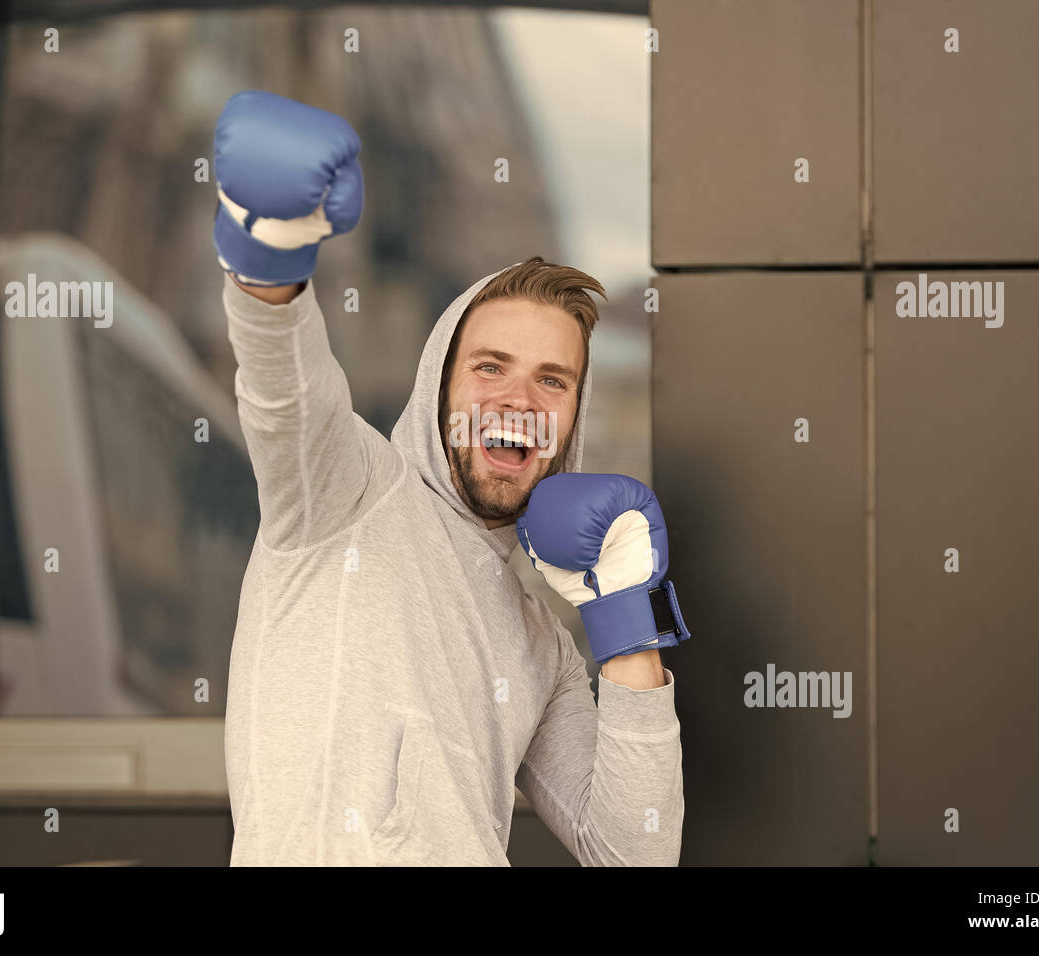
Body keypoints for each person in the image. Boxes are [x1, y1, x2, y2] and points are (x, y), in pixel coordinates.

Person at [216, 90, 690, 866]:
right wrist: (271, 248)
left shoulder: (543, 644)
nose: (517, 399)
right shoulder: (348, 490)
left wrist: (628, 621)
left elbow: (636, 853)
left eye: (552, 381)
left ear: (573, 420)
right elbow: (283, 388)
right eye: (491, 367)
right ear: (441, 384)